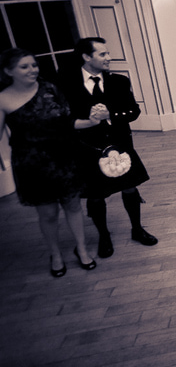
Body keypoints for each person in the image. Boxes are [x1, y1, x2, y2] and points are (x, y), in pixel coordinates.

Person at [0, 48, 95, 276]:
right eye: (24, 66)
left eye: (34, 65)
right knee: (48, 214)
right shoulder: (2, 99)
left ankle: (81, 249)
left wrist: (91, 122)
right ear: (9, 71)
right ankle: (55, 254)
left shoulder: (50, 88)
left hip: (64, 157)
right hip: (32, 165)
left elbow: (67, 121)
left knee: (73, 205)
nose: (32, 70)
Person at [60, 37, 156, 259]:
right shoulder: (67, 84)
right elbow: (65, 118)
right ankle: (104, 236)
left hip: (120, 144)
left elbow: (133, 112)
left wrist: (110, 115)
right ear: (86, 57)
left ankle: (137, 229)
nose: (108, 58)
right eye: (102, 54)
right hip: (87, 148)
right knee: (95, 196)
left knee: (130, 188)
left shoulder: (119, 81)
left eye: (107, 53)